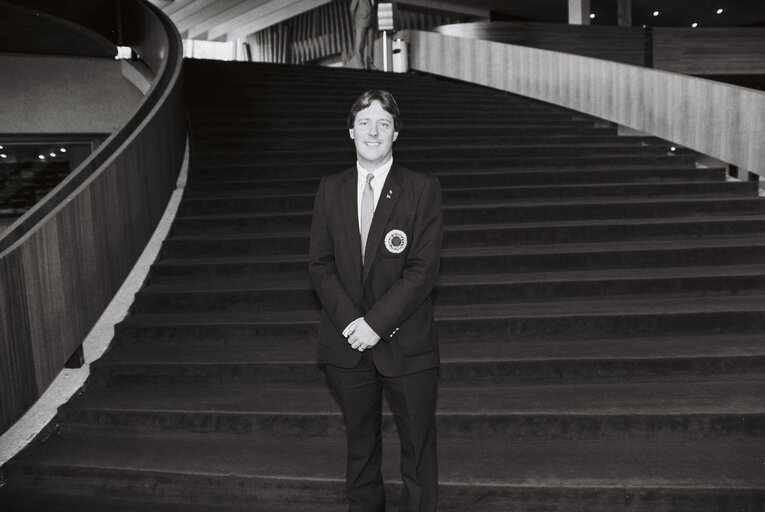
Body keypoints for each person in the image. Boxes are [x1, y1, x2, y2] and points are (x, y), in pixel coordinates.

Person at [309, 90, 443, 512]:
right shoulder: (330, 190)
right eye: (365, 122)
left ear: (395, 134)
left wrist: (375, 325)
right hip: (347, 344)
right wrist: (354, 325)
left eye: (383, 123)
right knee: (360, 447)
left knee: (418, 449)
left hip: (406, 343)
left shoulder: (421, 188)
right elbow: (320, 265)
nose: (373, 131)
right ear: (351, 131)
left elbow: (422, 271)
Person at [348, 0, 374, 69]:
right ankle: (360, 64)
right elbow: (352, 8)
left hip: (371, 21)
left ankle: (370, 63)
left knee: (371, 44)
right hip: (360, 21)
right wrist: (354, 21)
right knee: (360, 43)